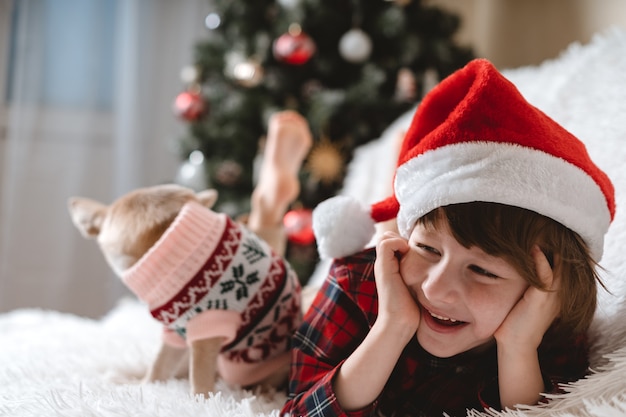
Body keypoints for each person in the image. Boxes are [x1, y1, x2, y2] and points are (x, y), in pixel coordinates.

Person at [281, 59, 616, 416]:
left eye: (483, 271)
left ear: (545, 287)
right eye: (426, 249)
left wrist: (518, 347)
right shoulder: (354, 284)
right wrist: (391, 328)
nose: (436, 290)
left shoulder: (551, 328)